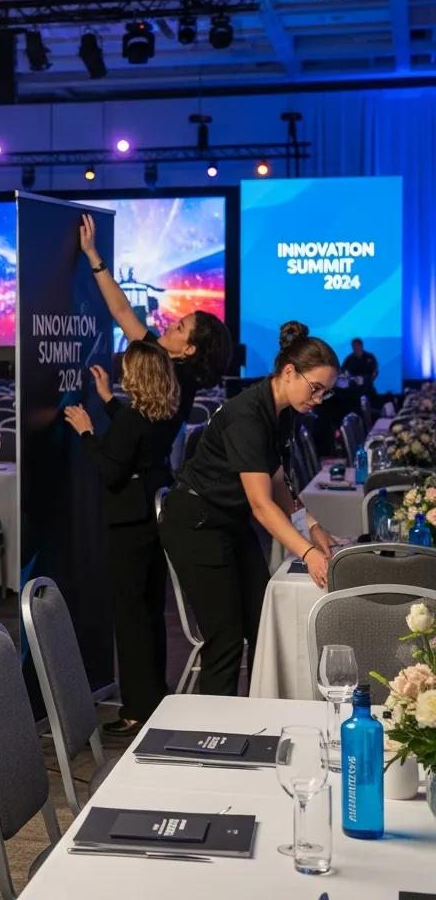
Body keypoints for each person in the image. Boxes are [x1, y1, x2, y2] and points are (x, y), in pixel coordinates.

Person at [159, 321, 341, 697]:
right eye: (316, 388)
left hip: (228, 522)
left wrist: (312, 524)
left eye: (326, 392)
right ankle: (217, 740)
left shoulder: (284, 409)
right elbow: (260, 505)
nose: (319, 399)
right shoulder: (247, 414)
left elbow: (276, 480)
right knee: (224, 641)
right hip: (195, 523)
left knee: (264, 623)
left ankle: (264, 716)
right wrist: (307, 551)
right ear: (289, 372)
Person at [64, 340, 178, 737]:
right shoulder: (162, 414)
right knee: (149, 616)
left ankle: (136, 709)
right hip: (151, 523)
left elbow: (110, 467)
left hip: (126, 527)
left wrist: (85, 433)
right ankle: (155, 697)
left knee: (129, 621)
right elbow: (131, 434)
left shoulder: (133, 421)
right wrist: (108, 399)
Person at [79, 211, 231, 439]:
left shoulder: (174, 382)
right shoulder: (164, 362)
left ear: (189, 349)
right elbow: (122, 312)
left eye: (179, 328)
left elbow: (134, 441)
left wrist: (87, 433)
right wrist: (92, 254)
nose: (169, 326)